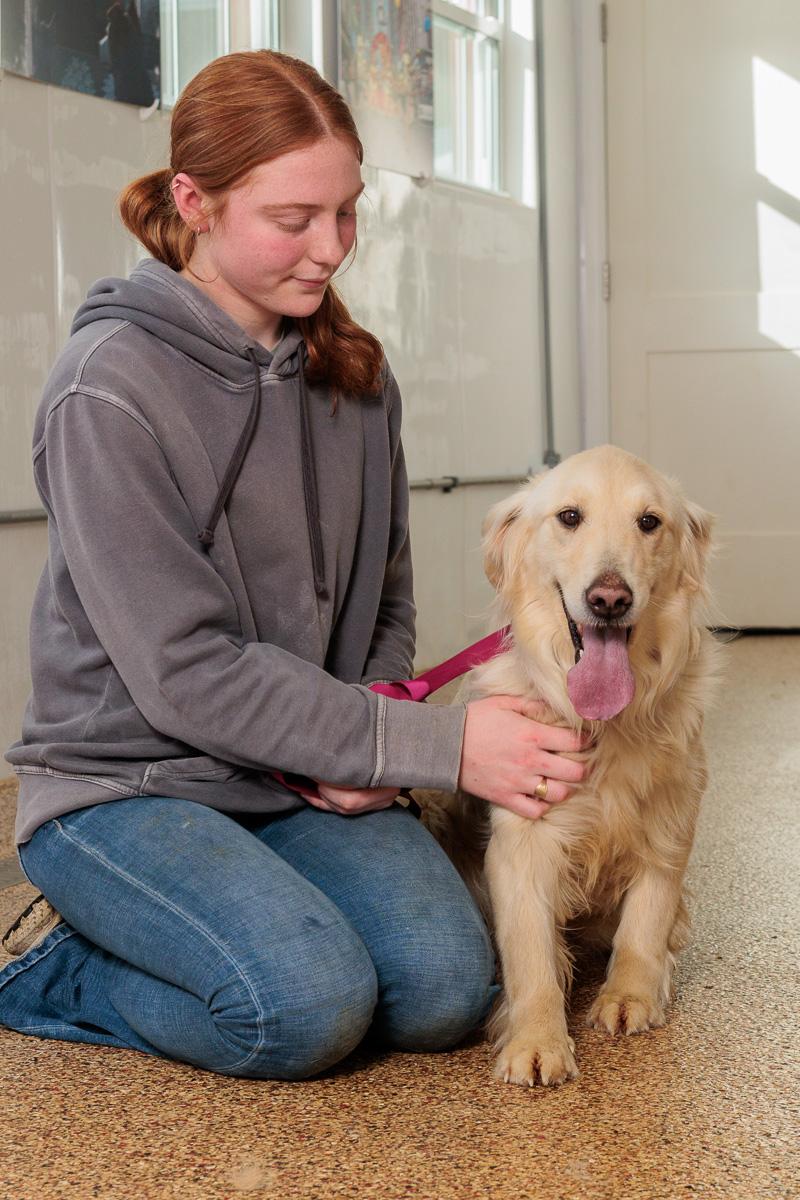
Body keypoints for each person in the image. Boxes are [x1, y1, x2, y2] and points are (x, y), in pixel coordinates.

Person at [0, 50, 587, 1081]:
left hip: (299, 777)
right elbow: (183, 671)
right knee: (304, 1009)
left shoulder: (354, 376)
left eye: (347, 214)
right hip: (128, 787)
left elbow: (385, 594)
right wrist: (425, 747)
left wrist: (363, 750)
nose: (330, 250)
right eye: (294, 220)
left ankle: (243, 916)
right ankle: (56, 971)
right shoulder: (106, 392)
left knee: (450, 988)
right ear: (196, 203)